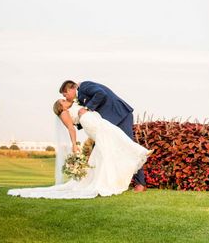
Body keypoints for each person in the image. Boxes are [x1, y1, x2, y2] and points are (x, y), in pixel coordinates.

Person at [8, 98, 150, 199]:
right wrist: (74, 144)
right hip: (91, 124)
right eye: (62, 100)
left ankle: (132, 158)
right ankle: (137, 152)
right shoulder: (63, 113)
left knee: (113, 142)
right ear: (60, 106)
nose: (65, 99)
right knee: (115, 138)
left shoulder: (73, 105)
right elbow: (71, 128)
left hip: (95, 121)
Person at [60, 80, 148, 192]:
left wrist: (87, 108)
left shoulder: (84, 86)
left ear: (71, 89)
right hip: (107, 125)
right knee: (98, 152)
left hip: (121, 115)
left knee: (129, 147)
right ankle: (103, 183)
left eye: (65, 94)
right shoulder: (79, 99)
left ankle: (141, 184)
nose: (66, 97)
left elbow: (101, 93)